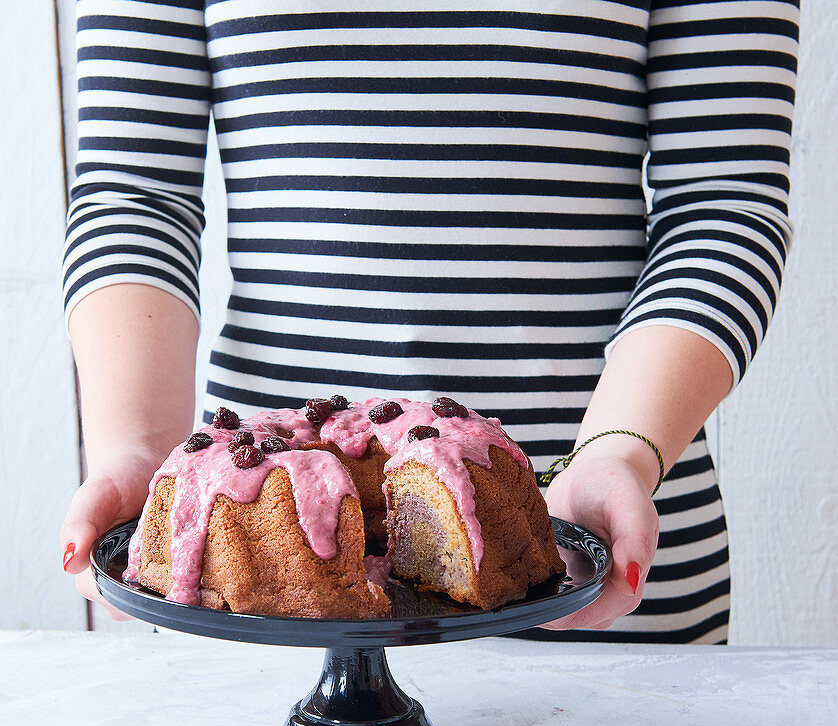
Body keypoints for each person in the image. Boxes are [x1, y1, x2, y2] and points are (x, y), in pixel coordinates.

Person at [60, 1, 799, 642]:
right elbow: (134, 196)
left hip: (596, 546)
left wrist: (618, 455)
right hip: (246, 580)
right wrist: (138, 451)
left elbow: (722, 207)